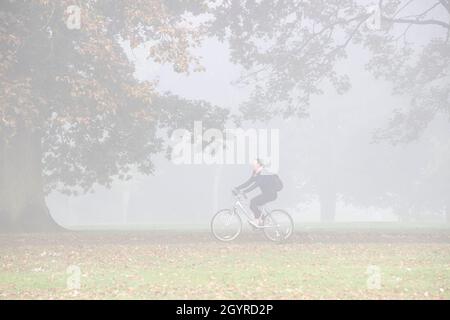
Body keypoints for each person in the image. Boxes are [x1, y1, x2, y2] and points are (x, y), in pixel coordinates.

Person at [233, 159, 280, 226]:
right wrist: (237, 188)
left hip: (271, 194)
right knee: (254, 204)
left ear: (259, 164)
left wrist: (245, 191)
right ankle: (264, 220)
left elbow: (256, 185)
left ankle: (257, 221)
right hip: (266, 194)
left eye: (254, 164)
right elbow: (248, 182)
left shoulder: (262, 173)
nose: (252, 165)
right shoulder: (256, 173)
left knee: (253, 202)